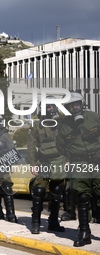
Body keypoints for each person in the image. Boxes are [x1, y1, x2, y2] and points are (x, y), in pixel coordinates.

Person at [56, 92, 100, 247]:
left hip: (97, 162)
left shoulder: (94, 117)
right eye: (71, 105)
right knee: (82, 197)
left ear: (82, 104)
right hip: (79, 163)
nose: (75, 107)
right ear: (68, 107)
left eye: (77, 104)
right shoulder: (64, 125)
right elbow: (60, 146)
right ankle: (84, 232)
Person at [27, 97, 66, 234]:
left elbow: (70, 143)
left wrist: (69, 160)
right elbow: (31, 147)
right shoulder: (37, 126)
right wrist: (32, 164)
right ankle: (35, 222)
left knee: (56, 194)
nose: (51, 109)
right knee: (38, 192)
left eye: (52, 106)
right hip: (43, 161)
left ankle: (53, 222)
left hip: (60, 160)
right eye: (47, 107)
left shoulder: (62, 123)